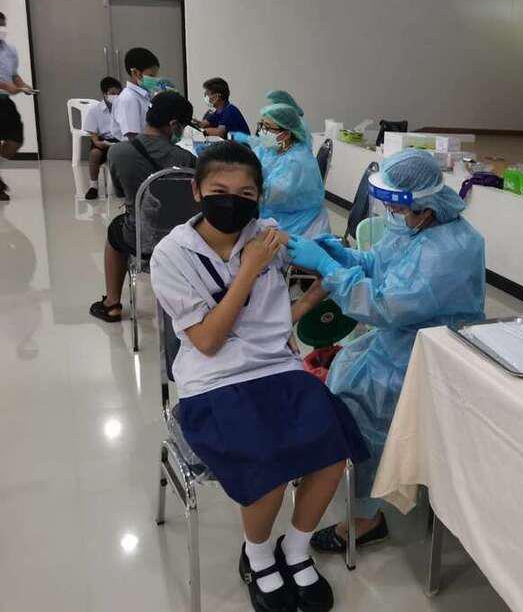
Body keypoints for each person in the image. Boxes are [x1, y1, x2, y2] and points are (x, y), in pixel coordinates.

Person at [150, 141, 367, 612]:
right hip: (214, 380)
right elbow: (208, 341)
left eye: (246, 193)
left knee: (332, 448)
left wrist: (321, 280)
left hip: (276, 367)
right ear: (197, 191)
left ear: (259, 196)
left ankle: (296, 548)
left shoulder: (268, 235)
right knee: (268, 463)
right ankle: (259, 555)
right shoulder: (173, 254)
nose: (232, 202)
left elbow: (290, 304)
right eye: (219, 191)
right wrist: (248, 270)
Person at [287, 149, 486, 551]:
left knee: (363, 406)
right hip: (398, 339)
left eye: (397, 207)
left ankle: (366, 517)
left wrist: (330, 270)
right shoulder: (415, 225)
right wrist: (344, 256)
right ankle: (338, 464)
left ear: (423, 206)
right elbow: (382, 263)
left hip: (430, 352)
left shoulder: (449, 251)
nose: (391, 214)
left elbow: (384, 305)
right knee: (343, 374)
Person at [89, 91, 196, 322]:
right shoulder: (186, 159)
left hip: (140, 239)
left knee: (114, 231)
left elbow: (124, 195)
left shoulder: (117, 152)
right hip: (181, 240)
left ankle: (112, 304)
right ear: (173, 125)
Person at [232, 103, 330, 238]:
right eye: (261, 125)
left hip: (299, 224)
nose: (262, 131)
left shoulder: (297, 161)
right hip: (273, 214)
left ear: (285, 134)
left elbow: (270, 194)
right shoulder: (272, 148)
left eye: (267, 127)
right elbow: (251, 160)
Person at [0, 11, 36, 202]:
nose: (1, 29)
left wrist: (24, 86)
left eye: (2, 25)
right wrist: (6, 86)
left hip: (5, 102)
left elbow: (14, 75)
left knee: (16, 140)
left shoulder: (10, 50)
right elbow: (5, 83)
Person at [82, 76, 122, 200]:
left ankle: (121, 184)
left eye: (118, 93)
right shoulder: (95, 110)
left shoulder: (124, 108)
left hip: (120, 140)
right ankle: (93, 186)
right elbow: (93, 132)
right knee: (94, 154)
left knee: (124, 153)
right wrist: (97, 142)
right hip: (103, 140)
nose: (116, 96)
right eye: (112, 93)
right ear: (104, 94)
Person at [112, 47, 161, 140]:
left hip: (147, 143)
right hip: (135, 147)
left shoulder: (143, 96)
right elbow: (132, 137)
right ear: (135, 73)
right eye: (151, 75)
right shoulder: (128, 99)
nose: (155, 79)